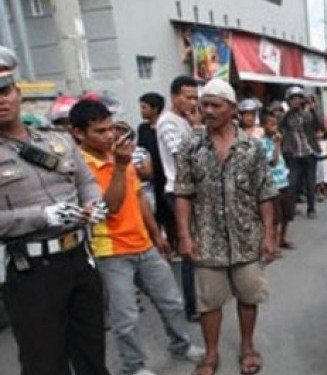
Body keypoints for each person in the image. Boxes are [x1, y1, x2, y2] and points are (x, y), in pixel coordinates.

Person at [71, 100, 205, 375]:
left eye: (111, 128)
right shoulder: (79, 166)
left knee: (171, 301)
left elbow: (138, 196)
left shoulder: (119, 154)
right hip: (110, 251)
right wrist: (120, 166)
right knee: (126, 318)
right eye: (100, 131)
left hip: (143, 244)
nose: (110, 136)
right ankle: (133, 366)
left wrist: (157, 234)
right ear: (78, 133)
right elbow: (111, 206)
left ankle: (180, 344)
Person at [0, 46, 111, 375]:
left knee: (92, 353)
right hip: (31, 270)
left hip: (79, 257)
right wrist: (41, 217)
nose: (0, 100)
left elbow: (86, 180)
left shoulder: (55, 139)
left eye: (4, 90)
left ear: (17, 92)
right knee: (45, 363)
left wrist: (93, 203)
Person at [174, 78, 278, 375]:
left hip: (247, 236)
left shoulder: (252, 147)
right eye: (204, 104)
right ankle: (210, 354)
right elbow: (183, 193)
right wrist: (184, 235)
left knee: (248, 296)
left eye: (215, 105)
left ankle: (247, 346)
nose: (207, 110)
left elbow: (265, 193)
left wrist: (269, 235)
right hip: (206, 238)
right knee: (209, 302)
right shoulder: (191, 145)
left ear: (232, 108)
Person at [157, 75, 200, 322]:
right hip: (179, 191)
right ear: (175, 97)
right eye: (188, 97)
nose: (193, 102)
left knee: (196, 246)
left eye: (195, 97)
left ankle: (200, 298)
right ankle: (191, 306)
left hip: (191, 190)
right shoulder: (168, 123)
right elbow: (181, 156)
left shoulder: (185, 120)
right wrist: (195, 129)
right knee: (188, 249)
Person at [279, 86, 325, 219]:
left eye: (298, 98)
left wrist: (313, 109)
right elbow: (280, 125)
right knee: (293, 183)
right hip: (293, 154)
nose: (295, 101)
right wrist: (288, 110)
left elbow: (319, 125)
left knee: (310, 183)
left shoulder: (308, 114)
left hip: (309, 153)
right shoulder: (286, 117)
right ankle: (291, 209)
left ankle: (311, 209)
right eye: (292, 99)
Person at [261, 112, 295, 249]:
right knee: (276, 218)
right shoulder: (263, 143)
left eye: (276, 125)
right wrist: (277, 144)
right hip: (272, 183)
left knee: (287, 214)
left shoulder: (276, 140)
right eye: (271, 125)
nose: (275, 128)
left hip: (283, 181)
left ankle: (282, 239)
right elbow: (273, 162)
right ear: (264, 126)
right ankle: (273, 244)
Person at [137, 93, 170, 227]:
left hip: (164, 178)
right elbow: (141, 151)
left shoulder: (166, 128)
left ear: (155, 109)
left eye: (144, 107)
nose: (141, 111)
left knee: (169, 219)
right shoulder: (143, 129)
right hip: (150, 181)